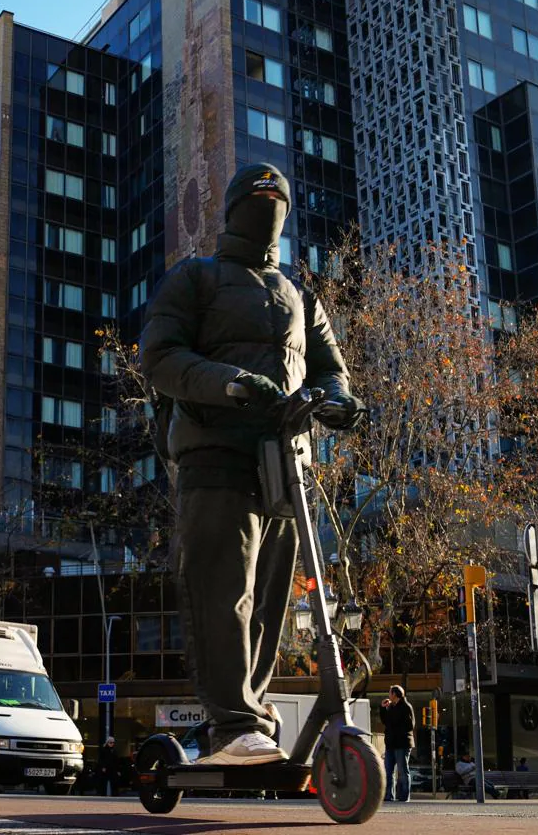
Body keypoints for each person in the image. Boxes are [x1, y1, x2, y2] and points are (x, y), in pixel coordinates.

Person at [141, 163, 362, 766]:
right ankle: (231, 724)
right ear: (236, 206)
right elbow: (159, 357)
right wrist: (231, 383)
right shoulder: (196, 279)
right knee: (223, 591)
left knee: (270, 603)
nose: (269, 204)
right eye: (259, 195)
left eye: (278, 197)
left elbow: (331, 369)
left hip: (284, 465)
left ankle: (251, 721)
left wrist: (338, 401)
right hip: (215, 455)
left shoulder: (300, 296)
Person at [380, 685, 415, 802]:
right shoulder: (391, 707)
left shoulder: (406, 707)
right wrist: (383, 708)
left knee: (403, 771)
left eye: (390, 693)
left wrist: (395, 730)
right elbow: (385, 721)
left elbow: (410, 726)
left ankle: (405, 797)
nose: (389, 695)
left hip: (402, 744)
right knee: (388, 771)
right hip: (390, 744)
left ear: (394, 694)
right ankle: (388, 795)